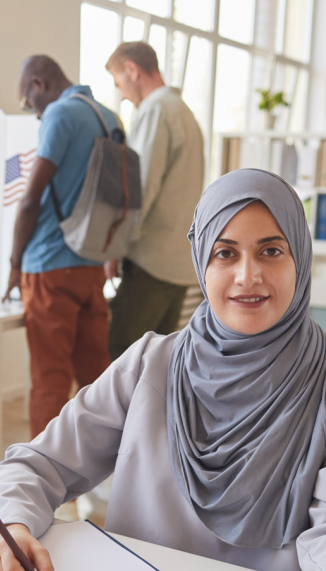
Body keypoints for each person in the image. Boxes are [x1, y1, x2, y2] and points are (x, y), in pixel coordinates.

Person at [0, 169, 326, 571]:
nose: (247, 275)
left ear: (300, 255)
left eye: (271, 251)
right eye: (225, 253)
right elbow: (40, 464)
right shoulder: (149, 363)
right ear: (201, 260)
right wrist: (11, 529)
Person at [2, 55, 118, 438]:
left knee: (50, 379)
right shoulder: (108, 118)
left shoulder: (60, 114)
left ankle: (40, 481)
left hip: (49, 266)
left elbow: (30, 200)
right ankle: (105, 466)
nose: (32, 112)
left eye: (26, 100)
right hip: (91, 263)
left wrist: (15, 264)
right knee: (96, 377)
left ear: (38, 82)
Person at [103, 42, 205, 360]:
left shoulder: (155, 110)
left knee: (120, 360)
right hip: (178, 264)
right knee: (157, 365)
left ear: (132, 70)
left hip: (150, 262)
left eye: (119, 83)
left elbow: (139, 191)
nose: (121, 94)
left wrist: (113, 247)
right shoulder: (184, 112)